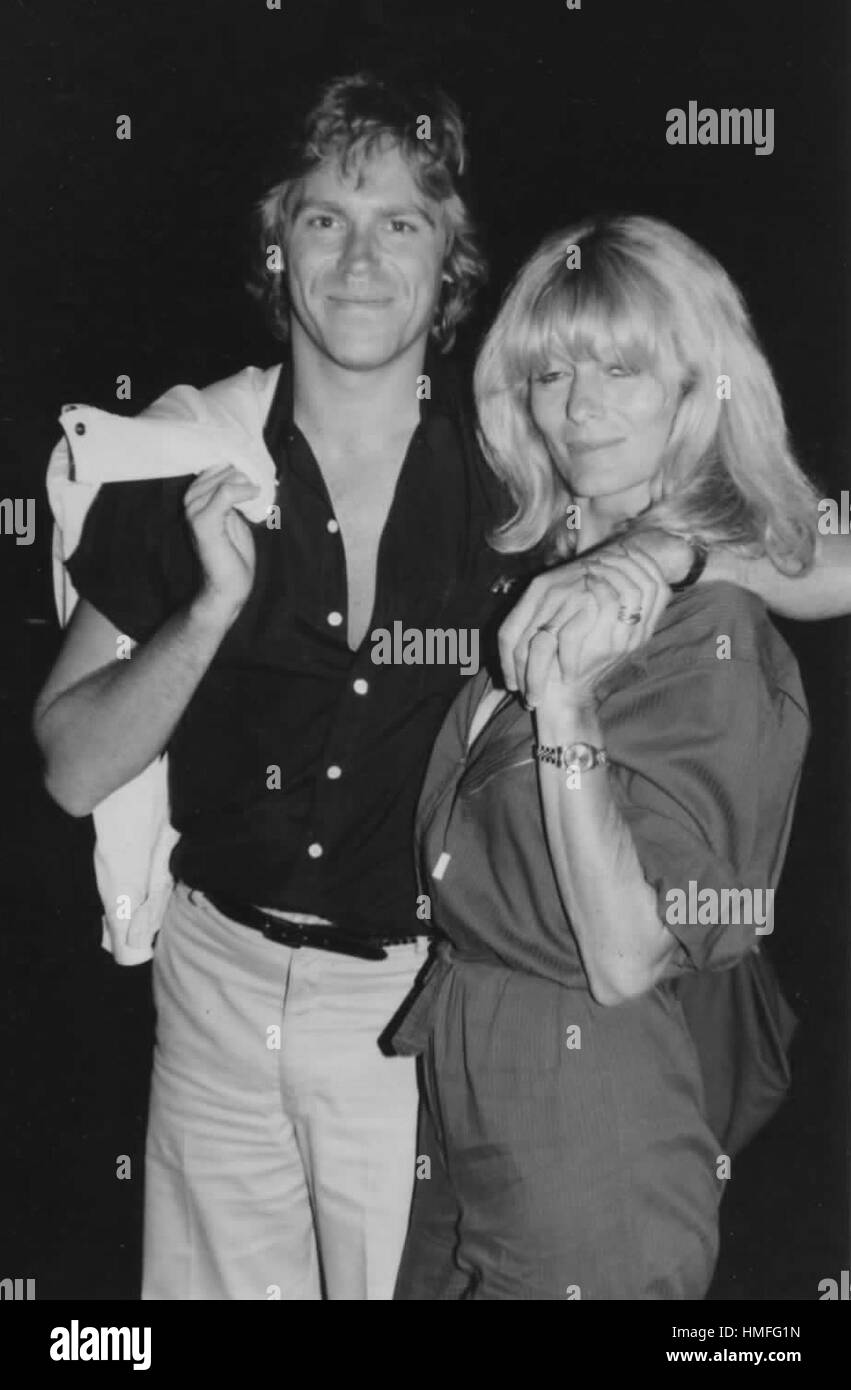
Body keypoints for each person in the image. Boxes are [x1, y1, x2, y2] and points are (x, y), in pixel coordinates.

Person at [31, 74, 851, 1301]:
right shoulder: (192, 455)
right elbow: (71, 762)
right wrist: (205, 611)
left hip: (405, 1012)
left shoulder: (519, 484)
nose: (359, 259)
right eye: (323, 219)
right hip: (212, 987)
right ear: (277, 246)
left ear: (449, 259)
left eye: (400, 222)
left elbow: (817, 554)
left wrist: (665, 546)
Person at [391, 214, 823, 1301]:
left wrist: (566, 707)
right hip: (468, 1062)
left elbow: (628, 955)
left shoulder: (710, 632)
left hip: (584, 1085)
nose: (576, 406)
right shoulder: (554, 553)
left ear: (696, 390)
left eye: (621, 368)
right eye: (548, 372)